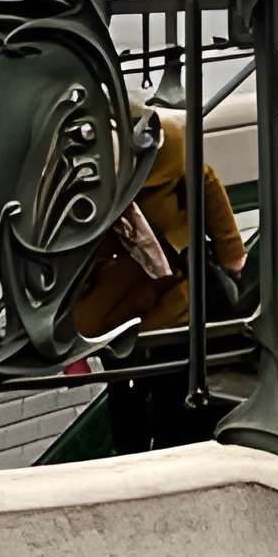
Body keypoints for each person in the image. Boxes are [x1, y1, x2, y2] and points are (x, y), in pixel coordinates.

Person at [71, 106, 250, 451]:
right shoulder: (70, 176)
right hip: (110, 308)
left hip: (167, 298)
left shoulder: (166, 148)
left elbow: (206, 183)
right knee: (125, 395)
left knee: (171, 391)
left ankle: (169, 454)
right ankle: (132, 461)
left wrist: (231, 253)